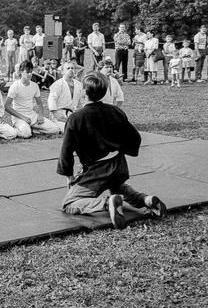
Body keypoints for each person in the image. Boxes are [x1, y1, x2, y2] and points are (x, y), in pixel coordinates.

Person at [57, 71, 166, 229]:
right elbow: (135, 138)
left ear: (83, 93)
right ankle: (146, 200)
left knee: (69, 203)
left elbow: (66, 150)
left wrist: (69, 176)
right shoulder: (115, 111)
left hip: (96, 170)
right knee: (117, 186)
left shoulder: (76, 118)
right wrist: (120, 150)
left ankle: (108, 202)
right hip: (118, 165)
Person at [5, 61, 62, 138]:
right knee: (26, 134)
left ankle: (33, 129)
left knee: (55, 129)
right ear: (21, 72)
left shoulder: (35, 86)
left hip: (31, 115)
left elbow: (40, 104)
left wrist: (40, 115)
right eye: (27, 72)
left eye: (31, 72)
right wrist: (23, 118)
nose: (29, 74)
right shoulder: (15, 86)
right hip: (19, 116)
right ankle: (19, 128)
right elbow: (7, 106)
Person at [48, 61, 84, 133]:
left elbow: (83, 101)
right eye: (68, 68)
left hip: (72, 114)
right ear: (62, 71)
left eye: (72, 68)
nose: (71, 70)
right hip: (58, 114)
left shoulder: (79, 85)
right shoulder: (57, 84)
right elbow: (52, 100)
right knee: (71, 129)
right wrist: (57, 115)